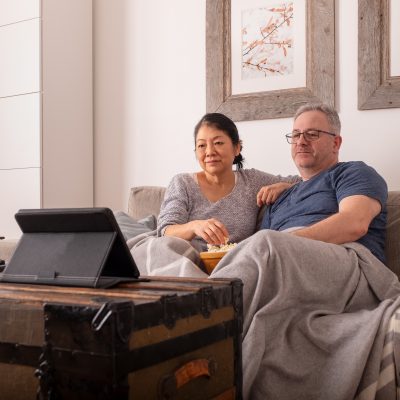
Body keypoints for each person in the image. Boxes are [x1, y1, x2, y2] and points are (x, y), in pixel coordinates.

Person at [211, 103, 400, 400]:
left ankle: (200, 328)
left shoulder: (354, 172)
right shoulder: (281, 196)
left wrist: (288, 242)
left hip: (352, 262)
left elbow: (354, 223)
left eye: (312, 134)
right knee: (160, 247)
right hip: (290, 265)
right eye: (296, 134)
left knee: (267, 244)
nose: (301, 141)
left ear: (336, 142)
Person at [128, 113, 299, 277]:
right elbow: (165, 231)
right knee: (161, 248)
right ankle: (205, 291)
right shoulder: (182, 183)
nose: (209, 152)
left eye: (218, 143)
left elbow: (304, 181)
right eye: (202, 145)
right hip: (186, 261)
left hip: (235, 264)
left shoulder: (252, 181)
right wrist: (195, 226)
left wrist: (283, 186)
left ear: (237, 147)